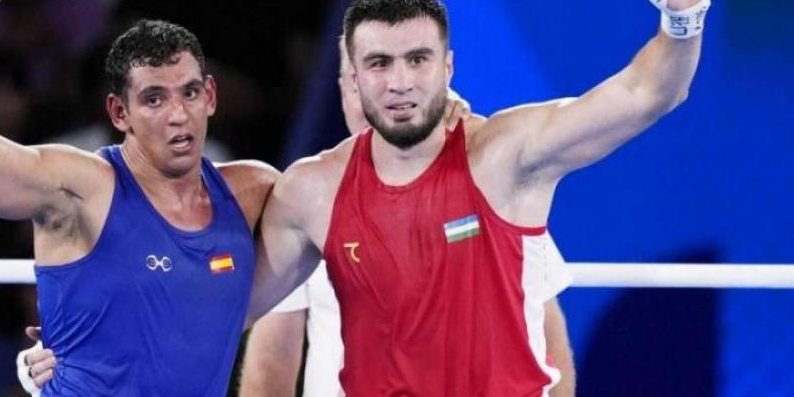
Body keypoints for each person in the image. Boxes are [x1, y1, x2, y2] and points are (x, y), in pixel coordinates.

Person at [243, 0, 719, 395]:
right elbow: (224, 320)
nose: (400, 82)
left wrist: (682, 18)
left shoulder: (503, 157)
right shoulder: (312, 190)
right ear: (354, 78)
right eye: (380, 63)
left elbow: (648, 93)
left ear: (447, 67)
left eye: (417, 59)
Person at [0, 0, 278, 395]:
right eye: (154, 99)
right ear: (119, 112)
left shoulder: (254, 191)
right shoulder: (80, 186)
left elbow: (338, 205)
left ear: (210, 96)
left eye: (189, 93)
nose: (177, 115)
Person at [238, 39, 577, 396]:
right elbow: (272, 359)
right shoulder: (307, 200)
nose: (385, 92)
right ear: (344, 88)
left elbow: (546, 339)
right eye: (363, 77)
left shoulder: (491, 190)